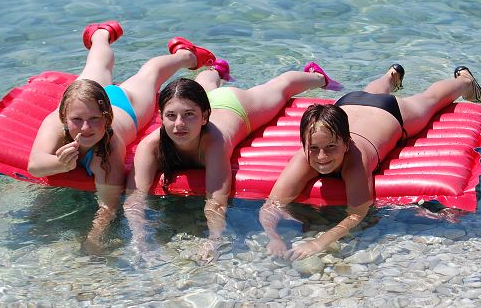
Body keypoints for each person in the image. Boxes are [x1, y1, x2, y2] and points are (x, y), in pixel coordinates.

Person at [260, 64, 481, 260]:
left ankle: (465, 81)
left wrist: (319, 243)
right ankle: (391, 76)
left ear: (346, 144)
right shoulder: (304, 157)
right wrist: (274, 237)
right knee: (373, 94)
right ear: (305, 145)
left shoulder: (355, 161)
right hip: (348, 104)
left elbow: (356, 214)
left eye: (330, 148)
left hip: (390, 112)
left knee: (430, 100)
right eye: (313, 149)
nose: (321, 157)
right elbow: (271, 206)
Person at [125, 60, 342, 261]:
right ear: (161, 117)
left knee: (281, 89)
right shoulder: (151, 146)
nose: (179, 124)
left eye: (189, 115)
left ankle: (316, 76)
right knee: (198, 92)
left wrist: (214, 240)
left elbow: (216, 200)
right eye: (171, 116)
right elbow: (134, 199)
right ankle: (215, 70)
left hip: (235, 106)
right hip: (204, 103)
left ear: (204, 117)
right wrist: (139, 239)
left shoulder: (215, 143)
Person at [27, 22, 217, 249]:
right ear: (65, 116)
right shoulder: (56, 123)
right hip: (87, 101)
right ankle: (101, 33)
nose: (86, 128)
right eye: (77, 120)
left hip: (126, 105)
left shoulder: (109, 148)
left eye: (95, 120)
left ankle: (185, 55)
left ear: (107, 119)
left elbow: (109, 205)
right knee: (97, 64)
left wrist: (93, 239)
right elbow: (35, 165)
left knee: (151, 74)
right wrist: (61, 164)